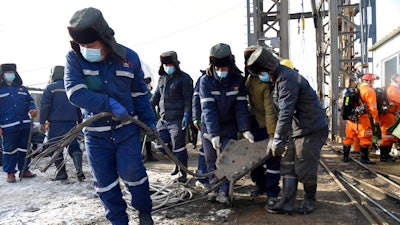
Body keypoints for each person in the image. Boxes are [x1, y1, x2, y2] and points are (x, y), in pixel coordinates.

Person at [65, 7, 156, 225]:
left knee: (133, 174)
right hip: (96, 137)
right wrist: (108, 103)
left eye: (90, 45)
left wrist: (150, 123)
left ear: (105, 39)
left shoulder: (129, 58)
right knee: (104, 183)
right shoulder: (74, 58)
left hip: (126, 131)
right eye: (82, 45)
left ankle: (144, 212)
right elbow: (75, 93)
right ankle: (118, 221)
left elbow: (140, 95)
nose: (86, 49)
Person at [246, 47, 329, 215]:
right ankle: (287, 201)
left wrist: (277, 138)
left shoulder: (286, 79)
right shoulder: (277, 80)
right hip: (297, 130)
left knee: (304, 165)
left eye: (261, 73)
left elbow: (286, 111)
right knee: (288, 164)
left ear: (268, 69)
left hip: (311, 129)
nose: (260, 77)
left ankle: (309, 200)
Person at [199, 43, 254, 204]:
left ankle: (224, 191)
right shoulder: (205, 81)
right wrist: (214, 134)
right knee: (211, 159)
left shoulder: (237, 80)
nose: (222, 71)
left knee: (227, 159)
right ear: (213, 66)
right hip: (210, 127)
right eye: (219, 68)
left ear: (230, 64)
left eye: (225, 68)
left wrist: (245, 129)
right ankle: (213, 189)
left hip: (230, 126)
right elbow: (208, 109)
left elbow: (241, 106)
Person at [244, 45, 281, 208]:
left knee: (271, 159)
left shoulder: (265, 82)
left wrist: (273, 136)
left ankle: (272, 192)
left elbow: (270, 111)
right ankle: (261, 185)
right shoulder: (251, 79)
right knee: (257, 159)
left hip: (268, 125)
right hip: (256, 124)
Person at [150, 51, 193, 183]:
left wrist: (187, 114)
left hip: (177, 119)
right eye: (165, 65)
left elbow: (188, 99)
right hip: (163, 119)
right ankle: (176, 162)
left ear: (175, 64)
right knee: (160, 145)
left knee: (178, 146)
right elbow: (156, 96)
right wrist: (146, 108)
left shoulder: (184, 79)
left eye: (169, 64)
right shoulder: (162, 78)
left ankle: (183, 172)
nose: (167, 67)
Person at [39, 65, 85, 181]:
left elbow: (45, 107)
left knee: (55, 147)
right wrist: (79, 122)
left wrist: (41, 122)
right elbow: (78, 106)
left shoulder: (50, 88)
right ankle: (79, 170)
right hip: (72, 122)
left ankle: (61, 173)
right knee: (74, 146)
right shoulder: (71, 87)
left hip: (56, 124)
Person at [0, 63, 37, 183]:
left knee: (24, 149)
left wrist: (32, 109)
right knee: (9, 150)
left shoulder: (22, 89)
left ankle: (24, 170)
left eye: (12, 72)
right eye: (7, 73)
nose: (10, 75)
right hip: (7, 126)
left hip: (24, 124)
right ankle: (10, 173)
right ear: (2, 74)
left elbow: (29, 102)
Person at [342, 73, 379, 164]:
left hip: (351, 118)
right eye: (373, 81)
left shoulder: (357, 89)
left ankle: (345, 157)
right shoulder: (370, 91)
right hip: (363, 118)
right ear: (369, 81)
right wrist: (376, 119)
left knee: (349, 137)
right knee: (365, 138)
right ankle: (364, 158)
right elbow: (373, 107)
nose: (373, 83)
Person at [192, 69, 209, 188]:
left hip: (227, 122)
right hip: (206, 119)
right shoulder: (203, 79)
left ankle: (220, 178)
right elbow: (196, 99)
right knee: (205, 149)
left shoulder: (234, 77)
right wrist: (195, 117)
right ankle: (203, 177)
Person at [378, 74, 400, 162]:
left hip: (391, 115)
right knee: (387, 136)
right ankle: (384, 156)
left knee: (390, 136)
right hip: (387, 115)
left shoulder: (394, 89)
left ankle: (386, 155)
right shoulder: (393, 89)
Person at [141, 76, 158, 162]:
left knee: (148, 139)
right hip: (142, 119)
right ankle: (142, 155)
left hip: (149, 118)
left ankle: (149, 155)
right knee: (142, 139)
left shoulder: (149, 94)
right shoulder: (143, 94)